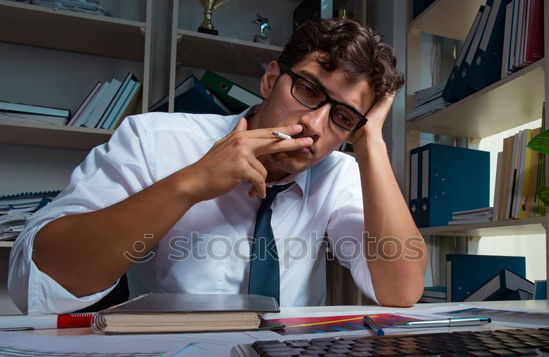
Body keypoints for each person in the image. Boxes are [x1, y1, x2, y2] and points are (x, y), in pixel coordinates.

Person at [8, 18, 427, 314]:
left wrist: (371, 143)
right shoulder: (153, 139)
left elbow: (401, 290)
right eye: (308, 90)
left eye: (343, 117)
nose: (314, 126)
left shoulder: (339, 174)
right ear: (269, 80)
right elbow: (39, 284)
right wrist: (191, 183)